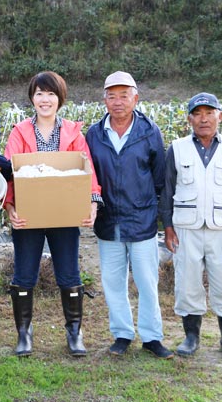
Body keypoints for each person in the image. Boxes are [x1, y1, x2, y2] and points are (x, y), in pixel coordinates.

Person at [4, 71, 101, 358]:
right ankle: (24, 332)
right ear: (32, 98)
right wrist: (11, 208)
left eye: (50, 94)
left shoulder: (72, 132)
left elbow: (87, 170)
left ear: (60, 98)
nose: (45, 100)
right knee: (24, 274)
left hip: (63, 213)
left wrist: (92, 204)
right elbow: (11, 173)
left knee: (69, 272)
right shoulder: (20, 131)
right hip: (29, 214)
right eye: (39, 94)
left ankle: (74, 330)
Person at [85, 71, 173, 359]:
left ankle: (152, 336)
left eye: (124, 95)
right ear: (104, 100)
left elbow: (159, 179)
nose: (118, 101)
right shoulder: (95, 134)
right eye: (112, 95)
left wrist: (159, 217)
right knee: (113, 280)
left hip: (142, 220)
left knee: (147, 281)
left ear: (136, 98)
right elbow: (88, 176)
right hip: (108, 220)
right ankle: (122, 334)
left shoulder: (149, 132)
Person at [160, 92, 222, 360]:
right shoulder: (177, 149)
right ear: (189, 118)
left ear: (219, 116)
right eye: (197, 114)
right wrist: (167, 226)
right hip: (185, 228)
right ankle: (191, 337)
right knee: (187, 283)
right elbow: (167, 190)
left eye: (209, 113)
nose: (203, 119)